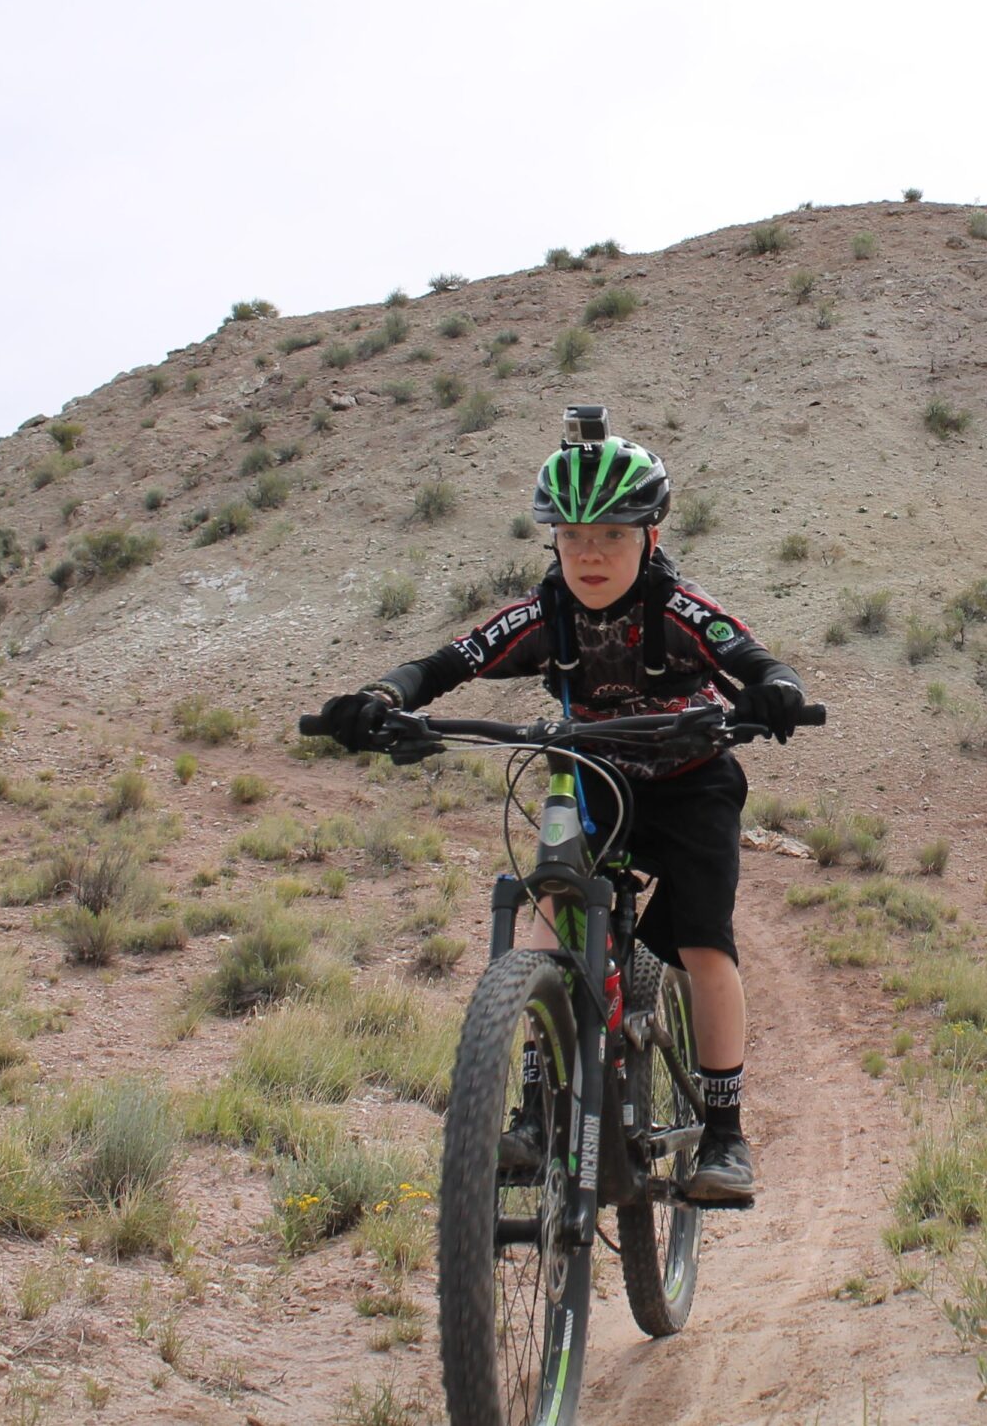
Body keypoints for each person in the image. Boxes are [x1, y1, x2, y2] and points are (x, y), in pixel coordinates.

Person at [316, 411, 805, 1203]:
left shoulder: (678, 608)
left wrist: (776, 690)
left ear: (649, 534)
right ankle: (538, 1108)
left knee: (706, 945)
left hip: (691, 780)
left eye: (611, 534)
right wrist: (382, 697)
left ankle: (723, 1133)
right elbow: (452, 660)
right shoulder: (545, 614)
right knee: (552, 903)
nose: (589, 553)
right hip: (588, 775)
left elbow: (747, 654)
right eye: (571, 535)